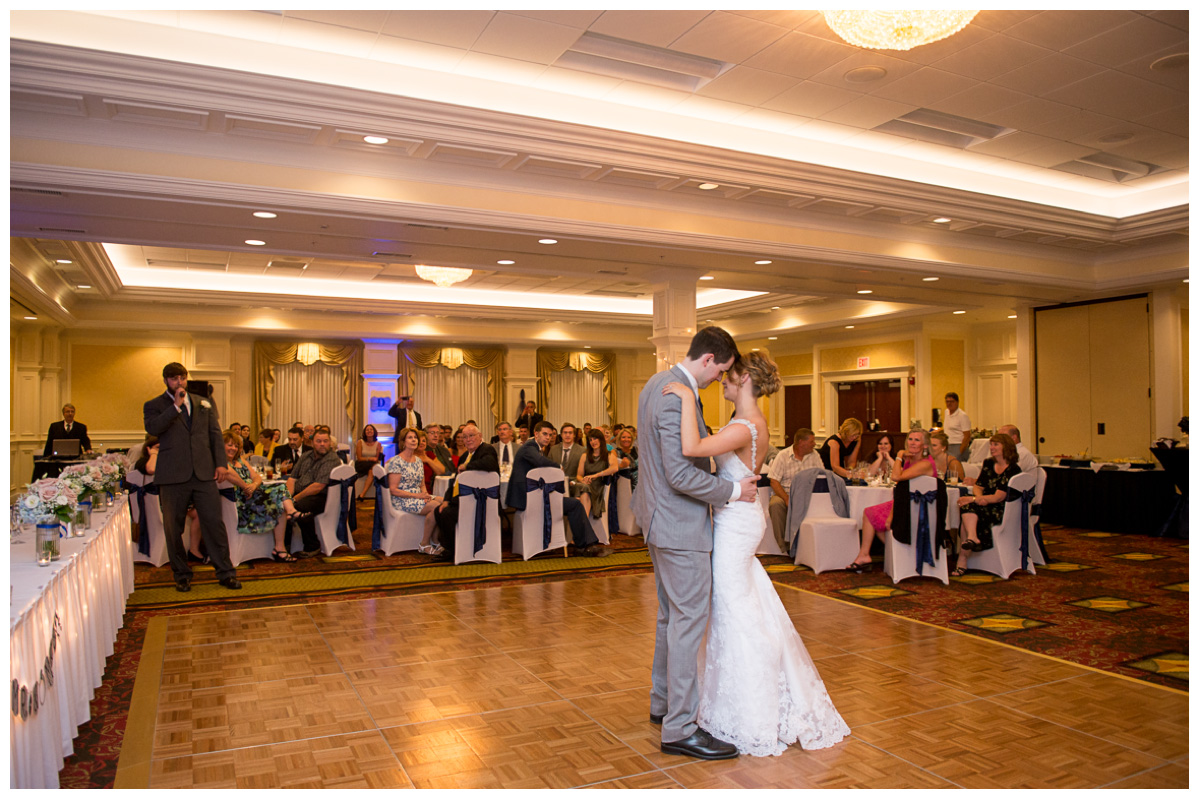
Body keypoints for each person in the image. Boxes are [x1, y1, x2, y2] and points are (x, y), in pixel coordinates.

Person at [662, 350, 849, 757]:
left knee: (733, 609)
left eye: (729, 376)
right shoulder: (745, 423)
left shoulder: (747, 425)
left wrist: (684, 399)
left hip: (737, 525)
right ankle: (735, 699)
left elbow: (693, 447)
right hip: (737, 517)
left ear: (744, 380)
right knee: (745, 604)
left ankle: (752, 707)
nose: (723, 381)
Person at [634, 326, 759, 761]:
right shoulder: (675, 394)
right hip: (678, 525)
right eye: (719, 371)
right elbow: (680, 474)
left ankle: (664, 702)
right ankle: (681, 729)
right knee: (688, 622)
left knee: (672, 618)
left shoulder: (656, 383)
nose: (717, 380)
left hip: (657, 519)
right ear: (708, 359)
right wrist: (731, 492)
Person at [142, 362, 240, 592]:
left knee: (214, 524)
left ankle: (226, 573)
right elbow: (153, 428)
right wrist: (175, 407)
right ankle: (182, 574)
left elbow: (215, 434)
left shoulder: (202, 402)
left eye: (183, 378)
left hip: (204, 473)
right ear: (166, 380)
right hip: (172, 475)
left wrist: (221, 464)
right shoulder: (154, 405)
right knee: (173, 528)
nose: (180, 383)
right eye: (175, 379)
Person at [507, 421, 611, 557]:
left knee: (574, 505)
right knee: (575, 505)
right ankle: (585, 545)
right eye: (544, 434)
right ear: (536, 434)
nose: (547, 438)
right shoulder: (530, 447)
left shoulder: (536, 448)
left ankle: (584, 544)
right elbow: (540, 462)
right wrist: (558, 466)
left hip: (533, 498)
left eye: (550, 435)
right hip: (528, 500)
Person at [846, 430, 938, 572]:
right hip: (906, 503)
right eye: (911, 439)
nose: (912, 442)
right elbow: (901, 489)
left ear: (925, 445)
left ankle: (901, 553)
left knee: (873, 515)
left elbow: (896, 477)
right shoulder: (911, 461)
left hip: (919, 509)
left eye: (917, 440)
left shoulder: (925, 464)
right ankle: (868, 554)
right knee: (870, 514)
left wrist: (900, 456)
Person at [955, 434, 1022, 576]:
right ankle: (972, 538)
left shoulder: (1013, 469)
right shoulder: (988, 464)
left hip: (1002, 509)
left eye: (996, 444)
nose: (992, 448)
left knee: (967, 507)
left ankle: (963, 559)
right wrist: (979, 498)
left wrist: (975, 500)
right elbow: (978, 486)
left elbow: (999, 497)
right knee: (967, 508)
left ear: (1006, 447)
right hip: (985, 503)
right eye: (991, 444)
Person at [222, 432, 293, 562]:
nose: (233, 448)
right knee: (280, 492)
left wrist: (253, 485)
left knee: (279, 499)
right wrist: (245, 487)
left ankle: (280, 546)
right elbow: (229, 474)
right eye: (230, 445)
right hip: (240, 502)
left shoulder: (240, 460)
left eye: (236, 446)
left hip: (254, 495)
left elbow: (256, 477)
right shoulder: (220, 462)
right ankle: (292, 513)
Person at [433, 424, 498, 562]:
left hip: (480, 502)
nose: (468, 439)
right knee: (439, 510)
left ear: (480, 436)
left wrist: (467, 466)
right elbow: (455, 481)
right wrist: (446, 499)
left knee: (447, 514)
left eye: (471, 436)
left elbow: (489, 463)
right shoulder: (464, 457)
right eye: (464, 437)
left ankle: (452, 550)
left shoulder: (486, 449)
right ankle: (453, 547)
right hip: (463, 500)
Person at [385, 427, 446, 555]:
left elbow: (422, 484)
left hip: (417, 496)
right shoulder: (396, 461)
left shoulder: (418, 461)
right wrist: (417, 495)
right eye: (410, 437)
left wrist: (425, 494)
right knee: (435, 506)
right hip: (401, 499)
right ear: (403, 442)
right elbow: (393, 490)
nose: (414, 440)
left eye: (415, 438)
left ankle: (435, 540)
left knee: (444, 502)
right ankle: (424, 544)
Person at [282, 429, 340, 557]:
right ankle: (283, 544)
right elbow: (292, 478)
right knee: (280, 502)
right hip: (301, 493)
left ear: (329, 442)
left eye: (325, 441)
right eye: (318, 441)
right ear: (312, 443)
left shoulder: (331, 459)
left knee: (299, 507)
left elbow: (318, 486)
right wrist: (288, 497)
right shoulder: (305, 456)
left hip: (322, 497)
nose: (322, 444)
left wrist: (294, 499)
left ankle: (312, 546)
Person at [766, 428, 823, 550]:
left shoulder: (814, 456)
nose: (814, 444)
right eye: (812, 441)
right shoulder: (783, 456)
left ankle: (810, 545)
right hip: (785, 492)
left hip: (808, 494)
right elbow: (774, 481)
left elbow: (822, 476)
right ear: (801, 442)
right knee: (775, 504)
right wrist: (786, 498)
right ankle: (784, 546)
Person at [578, 428, 620, 519]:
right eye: (590, 440)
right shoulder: (584, 456)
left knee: (583, 494)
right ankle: (584, 525)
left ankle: (583, 525)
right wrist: (584, 480)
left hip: (599, 486)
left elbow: (615, 468)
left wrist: (595, 475)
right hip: (586, 484)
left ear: (601, 439)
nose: (593, 442)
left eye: (595, 438)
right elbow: (579, 475)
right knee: (583, 490)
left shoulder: (609, 455)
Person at [548, 423, 584, 491]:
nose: (567, 435)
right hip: (555, 485)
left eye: (570, 433)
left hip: (575, 486)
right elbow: (548, 468)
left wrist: (573, 482)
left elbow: (584, 472)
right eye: (565, 433)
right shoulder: (553, 449)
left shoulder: (582, 451)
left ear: (574, 435)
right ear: (561, 435)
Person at [354, 424, 384, 499]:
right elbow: (359, 458)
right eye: (367, 430)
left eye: (371, 429)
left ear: (374, 432)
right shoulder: (360, 442)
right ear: (365, 432)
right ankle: (362, 494)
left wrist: (372, 459)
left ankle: (362, 494)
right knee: (373, 468)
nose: (369, 431)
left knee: (372, 470)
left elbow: (376, 459)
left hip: (372, 465)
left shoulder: (378, 444)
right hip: (361, 464)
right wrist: (369, 458)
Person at [942, 392, 972, 460]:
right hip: (948, 445)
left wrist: (960, 452)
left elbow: (967, 436)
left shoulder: (962, 416)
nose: (949, 404)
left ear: (957, 402)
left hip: (958, 445)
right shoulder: (946, 412)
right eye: (947, 401)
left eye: (952, 401)